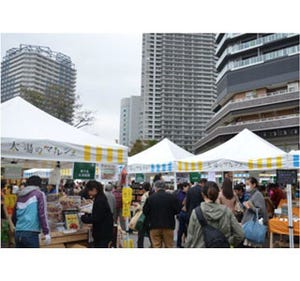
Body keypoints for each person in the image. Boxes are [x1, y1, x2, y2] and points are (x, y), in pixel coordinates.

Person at [185, 181, 244, 248]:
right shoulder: (226, 211)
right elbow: (240, 234)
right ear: (218, 194)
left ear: (202, 194)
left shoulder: (196, 212)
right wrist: (228, 241)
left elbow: (190, 238)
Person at [12, 176, 51, 248]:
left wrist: (19, 227)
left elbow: (13, 216)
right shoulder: (39, 194)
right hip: (31, 234)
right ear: (39, 184)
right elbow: (42, 214)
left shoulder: (20, 196)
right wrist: (46, 232)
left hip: (18, 233)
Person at [143, 180, 181, 248]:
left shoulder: (150, 198)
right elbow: (178, 210)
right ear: (165, 187)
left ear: (156, 187)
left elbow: (145, 211)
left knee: (156, 246)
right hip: (169, 225)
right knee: (169, 246)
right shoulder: (172, 197)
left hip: (154, 226)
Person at [81, 180, 113, 248]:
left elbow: (97, 218)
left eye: (89, 190)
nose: (88, 193)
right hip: (104, 230)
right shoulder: (100, 197)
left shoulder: (100, 200)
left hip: (102, 232)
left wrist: (83, 218)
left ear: (94, 190)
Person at [241, 177, 268, 247]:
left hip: (253, 223)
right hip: (250, 221)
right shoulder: (251, 194)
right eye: (245, 184)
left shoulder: (257, 195)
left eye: (248, 184)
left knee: (253, 243)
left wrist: (250, 207)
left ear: (254, 185)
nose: (246, 186)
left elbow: (261, 210)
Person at [137, 182, 152, 248]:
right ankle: (153, 244)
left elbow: (143, 208)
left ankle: (140, 246)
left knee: (141, 233)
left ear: (143, 189)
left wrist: (138, 206)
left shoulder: (144, 196)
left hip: (144, 217)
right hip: (150, 216)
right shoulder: (152, 194)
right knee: (149, 232)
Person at [176, 182, 190, 248]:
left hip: (181, 213)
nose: (189, 188)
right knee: (183, 229)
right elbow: (183, 203)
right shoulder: (182, 194)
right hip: (182, 213)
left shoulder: (179, 194)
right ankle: (181, 243)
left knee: (182, 229)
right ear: (184, 187)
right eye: (188, 187)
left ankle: (181, 243)